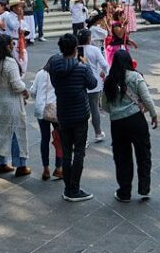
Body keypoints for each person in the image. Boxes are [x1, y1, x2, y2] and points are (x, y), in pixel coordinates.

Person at [101, 49, 157, 202]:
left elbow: (104, 105)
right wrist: (153, 114)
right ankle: (144, 188)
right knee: (143, 153)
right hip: (136, 119)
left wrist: (116, 110)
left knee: (122, 157)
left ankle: (124, 192)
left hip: (117, 123)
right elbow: (146, 98)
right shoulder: (135, 76)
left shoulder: (109, 80)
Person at [49, 33, 98, 202]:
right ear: (75, 49)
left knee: (67, 152)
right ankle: (74, 189)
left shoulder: (54, 65)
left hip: (63, 113)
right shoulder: (82, 68)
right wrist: (86, 65)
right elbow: (92, 84)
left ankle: (67, 188)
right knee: (79, 152)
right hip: (79, 115)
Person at [0, 34, 31, 176]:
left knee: (0, 132)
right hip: (11, 103)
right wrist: (25, 90)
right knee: (16, 133)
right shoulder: (9, 62)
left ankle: (1, 163)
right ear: (7, 46)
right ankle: (20, 166)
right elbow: (17, 85)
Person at [29, 59, 63, 181]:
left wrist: (40, 97)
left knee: (44, 138)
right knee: (59, 138)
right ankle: (59, 168)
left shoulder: (40, 73)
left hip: (41, 110)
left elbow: (32, 92)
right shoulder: (60, 74)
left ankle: (45, 169)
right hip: (56, 111)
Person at [78, 29, 109, 143]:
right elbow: (105, 65)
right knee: (94, 107)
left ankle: (83, 138)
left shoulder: (76, 50)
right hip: (94, 82)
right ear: (89, 38)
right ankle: (98, 133)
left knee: (82, 110)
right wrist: (104, 73)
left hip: (79, 82)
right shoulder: (94, 50)